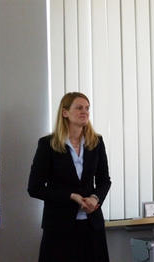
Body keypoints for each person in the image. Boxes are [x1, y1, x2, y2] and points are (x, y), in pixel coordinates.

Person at [28, 92, 111, 262]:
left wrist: (95, 198)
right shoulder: (48, 144)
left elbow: (104, 180)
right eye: (79, 108)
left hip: (91, 225)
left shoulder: (96, 142)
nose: (85, 112)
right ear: (65, 112)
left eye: (87, 108)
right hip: (59, 227)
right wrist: (70, 196)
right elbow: (34, 188)